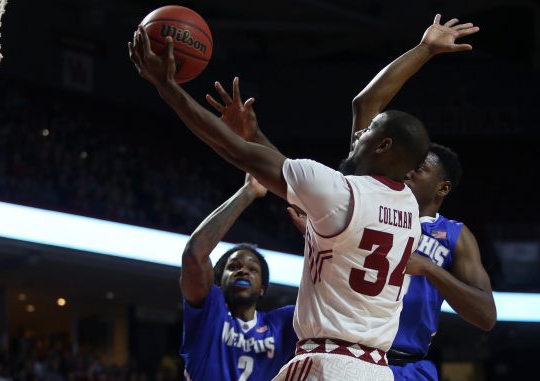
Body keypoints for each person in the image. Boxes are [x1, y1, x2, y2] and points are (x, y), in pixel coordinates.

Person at [129, 24, 429, 380]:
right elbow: (323, 180)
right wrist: (255, 136)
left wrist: (168, 87)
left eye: (371, 130)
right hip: (375, 370)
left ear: (383, 147)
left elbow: (235, 151)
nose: (361, 132)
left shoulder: (340, 193)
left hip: (328, 364)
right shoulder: (407, 207)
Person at [273, 14, 494, 381]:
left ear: (442, 188)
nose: (408, 168)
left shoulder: (454, 235)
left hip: (406, 363)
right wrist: (423, 50)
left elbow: (486, 315)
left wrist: (429, 268)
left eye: (420, 168)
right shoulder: (365, 188)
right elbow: (364, 105)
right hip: (345, 354)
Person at [180, 174, 296, 381]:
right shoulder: (209, 312)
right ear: (217, 281)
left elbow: (326, 301)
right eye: (233, 267)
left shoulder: (282, 323)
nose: (243, 271)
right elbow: (194, 254)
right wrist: (248, 191)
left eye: (253, 269)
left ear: (262, 288)